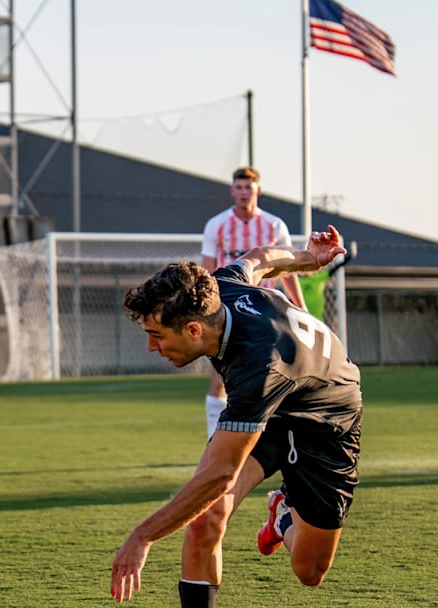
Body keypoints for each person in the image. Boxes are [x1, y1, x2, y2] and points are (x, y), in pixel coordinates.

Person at [110, 225, 361, 608]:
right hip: (268, 407)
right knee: (206, 516)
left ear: (193, 330)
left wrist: (142, 536)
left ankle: (283, 517)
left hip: (326, 421)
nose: (150, 346)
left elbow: (221, 473)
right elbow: (260, 258)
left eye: (156, 334)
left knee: (309, 571)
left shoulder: (258, 364)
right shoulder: (217, 288)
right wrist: (310, 258)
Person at [200, 166, 307, 439]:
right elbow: (209, 272)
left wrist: (298, 304)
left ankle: (279, 436)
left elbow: (287, 266)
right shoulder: (216, 225)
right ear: (232, 190)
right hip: (229, 312)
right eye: (239, 187)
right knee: (222, 377)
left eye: (249, 187)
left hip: (268, 311)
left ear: (257, 190)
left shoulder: (274, 225)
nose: (244, 192)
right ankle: (214, 438)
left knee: (279, 371)